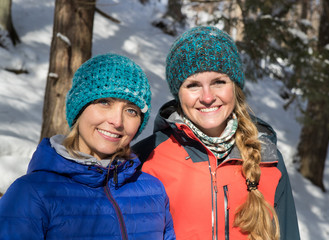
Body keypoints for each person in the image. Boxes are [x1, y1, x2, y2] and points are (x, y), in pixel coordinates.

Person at [133, 26, 300, 240]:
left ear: (235, 87)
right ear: (178, 95)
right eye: (193, 85)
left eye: (218, 82)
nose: (207, 97)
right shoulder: (147, 158)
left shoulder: (267, 156)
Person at [0, 53, 175, 240]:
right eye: (104, 102)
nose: (117, 121)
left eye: (131, 110)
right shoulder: (31, 193)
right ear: (79, 109)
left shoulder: (153, 191)